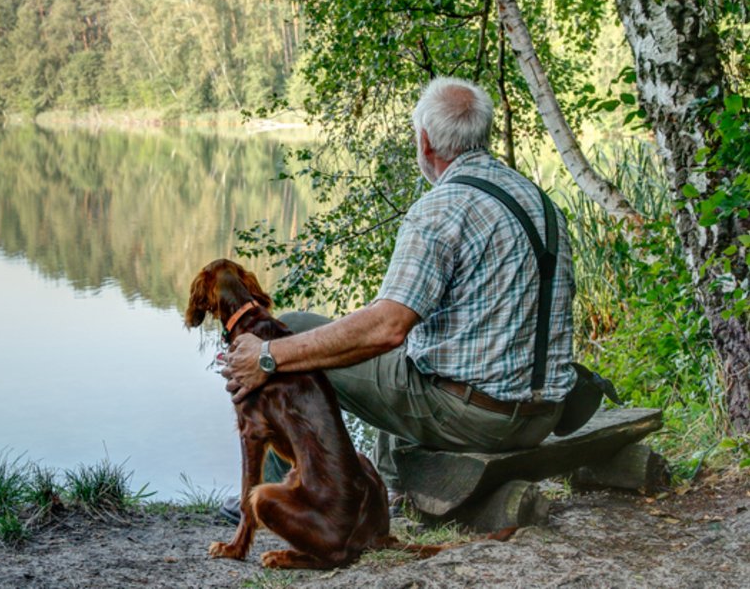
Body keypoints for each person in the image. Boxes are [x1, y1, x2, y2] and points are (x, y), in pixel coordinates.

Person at [221, 76, 577, 499]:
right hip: (543, 417)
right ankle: (383, 485)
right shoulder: (539, 201)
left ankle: (286, 496)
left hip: (479, 420)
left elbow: (387, 328)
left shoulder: (441, 208)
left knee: (289, 331)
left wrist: (267, 355)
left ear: (424, 142)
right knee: (405, 357)